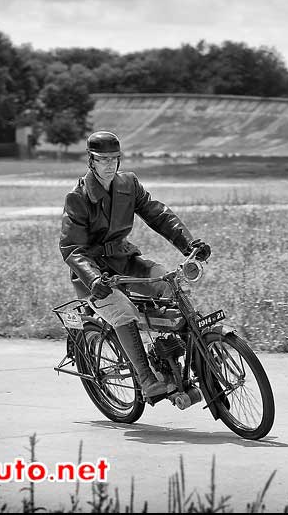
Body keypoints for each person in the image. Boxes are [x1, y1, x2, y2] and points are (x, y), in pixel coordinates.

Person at [59, 130, 211, 398]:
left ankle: (182, 358)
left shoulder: (128, 185)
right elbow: (72, 248)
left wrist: (190, 245)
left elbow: (158, 214)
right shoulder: (78, 197)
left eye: (114, 158)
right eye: (102, 159)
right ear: (90, 161)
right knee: (124, 312)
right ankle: (147, 380)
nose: (109, 164)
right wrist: (94, 279)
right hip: (94, 277)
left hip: (126, 261)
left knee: (172, 285)